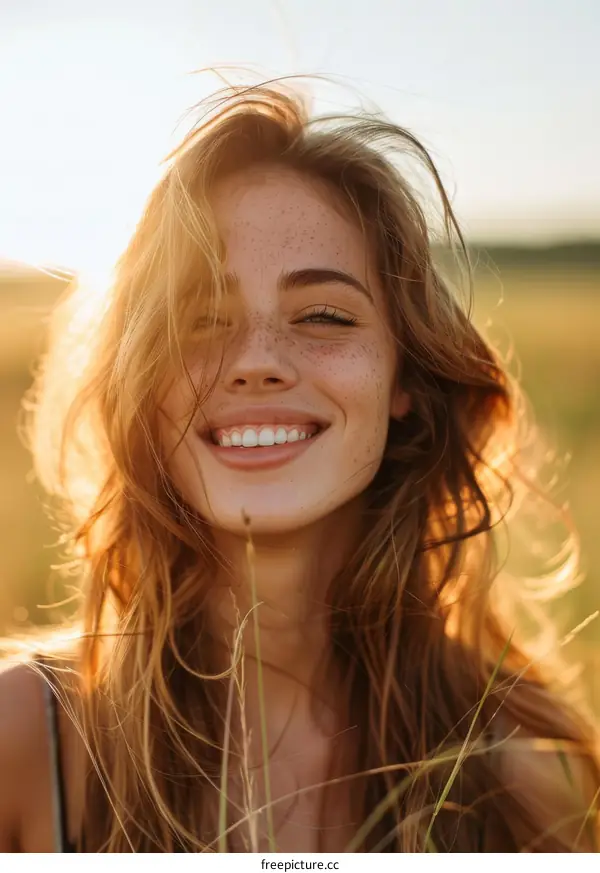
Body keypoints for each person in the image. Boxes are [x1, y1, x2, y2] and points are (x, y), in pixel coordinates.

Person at [0, 80, 598, 853]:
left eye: (323, 315)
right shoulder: (25, 738)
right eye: (200, 320)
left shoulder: (521, 763)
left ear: (404, 379)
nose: (255, 362)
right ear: (140, 386)